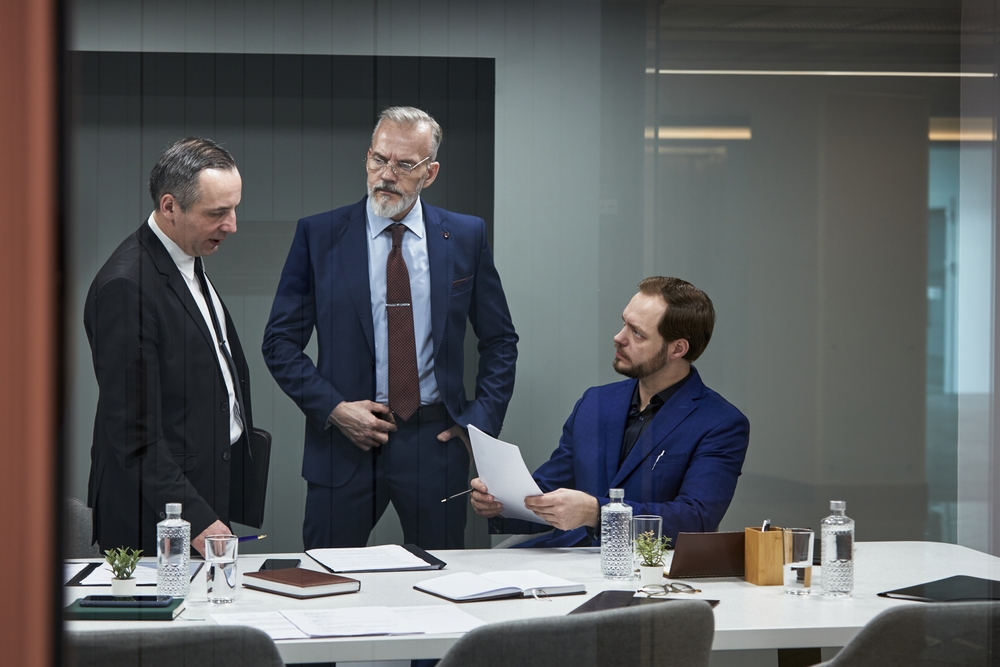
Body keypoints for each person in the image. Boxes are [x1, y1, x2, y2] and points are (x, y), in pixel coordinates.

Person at [263, 106, 518, 550]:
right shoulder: (319, 236)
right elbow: (280, 342)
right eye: (379, 159)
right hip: (344, 443)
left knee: (441, 584)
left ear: (430, 172)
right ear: (367, 158)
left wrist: (477, 424)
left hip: (433, 442)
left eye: (404, 164)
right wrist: (335, 409)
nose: (386, 174)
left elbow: (500, 341)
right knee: (328, 581)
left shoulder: (465, 236)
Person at [471, 276, 749, 547]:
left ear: (678, 348)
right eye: (624, 324)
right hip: (567, 560)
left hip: (646, 569)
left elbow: (695, 519)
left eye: (637, 333)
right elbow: (549, 488)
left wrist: (596, 513)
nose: (619, 337)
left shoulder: (720, 423)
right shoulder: (595, 402)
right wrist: (501, 502)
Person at [85, 137, 253, 557]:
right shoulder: (127, 286)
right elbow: (132, 432)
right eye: (217, 213)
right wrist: (196, 519)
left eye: (234, 208)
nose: (232, 226)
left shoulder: (185, 257)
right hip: (157, 515)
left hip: (200, 493)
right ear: (169, 206)